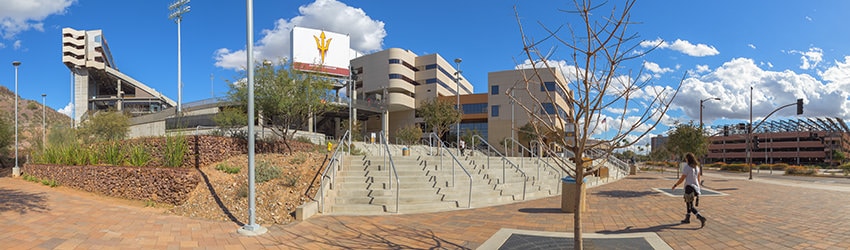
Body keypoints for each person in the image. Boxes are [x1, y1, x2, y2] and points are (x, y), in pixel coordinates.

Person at [672, 153, 707, 228]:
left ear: (688, 159)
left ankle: (700, 217)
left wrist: (675, 185)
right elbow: (698, 178)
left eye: (686, 158)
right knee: (689, 204)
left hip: (689, 187)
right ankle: (687, 218)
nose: (685, 160)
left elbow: (682, 178)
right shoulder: (696, 167)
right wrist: (699, 187)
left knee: (690, 206)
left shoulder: (687, 167)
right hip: (695, 188)